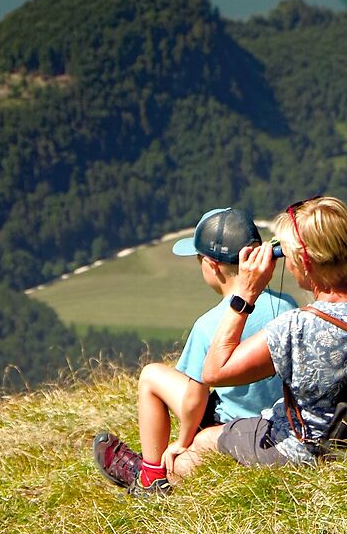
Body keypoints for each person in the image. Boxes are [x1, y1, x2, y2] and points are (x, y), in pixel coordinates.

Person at [102, 193, 347, 485]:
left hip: (309, 447)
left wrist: (246, 295)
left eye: (285, 252)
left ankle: (151, 481)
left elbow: (214, 372)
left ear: (305, 262)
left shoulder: (296, 327)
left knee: (196, 449)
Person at [92, 205, 295, 494]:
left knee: (151, 376)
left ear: (211, 265)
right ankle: (149, 471)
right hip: (277, 421)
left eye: (199, 259)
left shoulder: (209, 325)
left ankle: (149, 475)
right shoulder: (287, 305)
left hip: (230, 427)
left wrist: (183, 442)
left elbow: (193, 400)